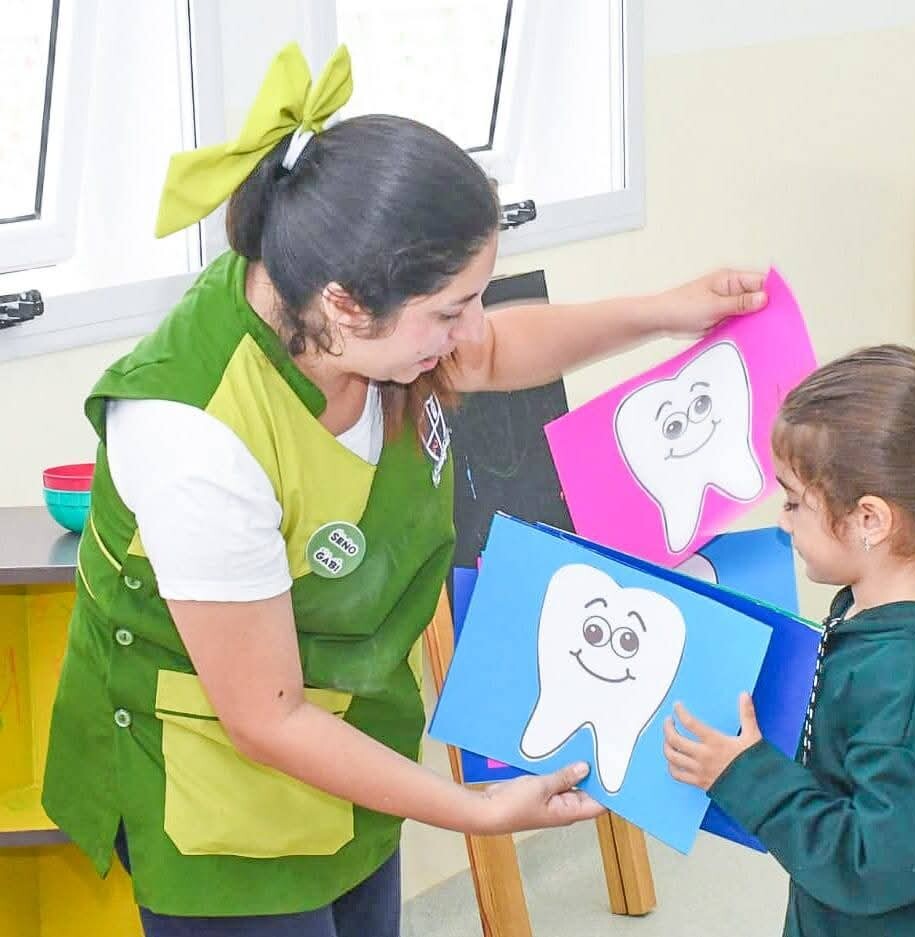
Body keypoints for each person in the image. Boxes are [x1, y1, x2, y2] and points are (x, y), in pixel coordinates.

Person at [41, 43, 768, 936]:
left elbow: (493, 353)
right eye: (450, 310)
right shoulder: (195, 436)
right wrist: (474, 809)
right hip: (214, 795)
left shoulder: (355, 321)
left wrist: (665, 313)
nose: (470, 329)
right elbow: (267, 718)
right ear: (346, 305)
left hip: (350, 738)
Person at [663, 344, 915, 936]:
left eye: (794, 501)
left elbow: (872, 866)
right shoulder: (879, 612)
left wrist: (749, 777)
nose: (783, 520)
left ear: (870, 519)